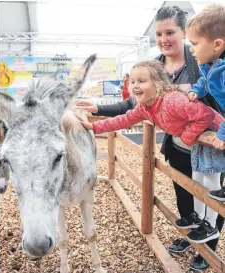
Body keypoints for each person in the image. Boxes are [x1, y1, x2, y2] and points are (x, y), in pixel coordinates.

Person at [76, 6, 224, 271]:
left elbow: (209, 107)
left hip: (211, 140)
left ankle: (207, 250)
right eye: (159, 33)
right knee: (186, 195)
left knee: (210, 187)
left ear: (184, 33)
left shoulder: (203, 58)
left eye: (170, 32)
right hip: (180, 144)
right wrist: (96, 114)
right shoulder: (156, 66)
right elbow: (131, 107)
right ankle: (191, 239)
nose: (164, 39)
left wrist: (202, 133)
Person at [186, 4, 225, 203]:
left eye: (195, 43)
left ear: (217, 45)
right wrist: (196, 90)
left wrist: (223, 134)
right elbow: (205, 80)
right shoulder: (210, 64)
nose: (191, 49)